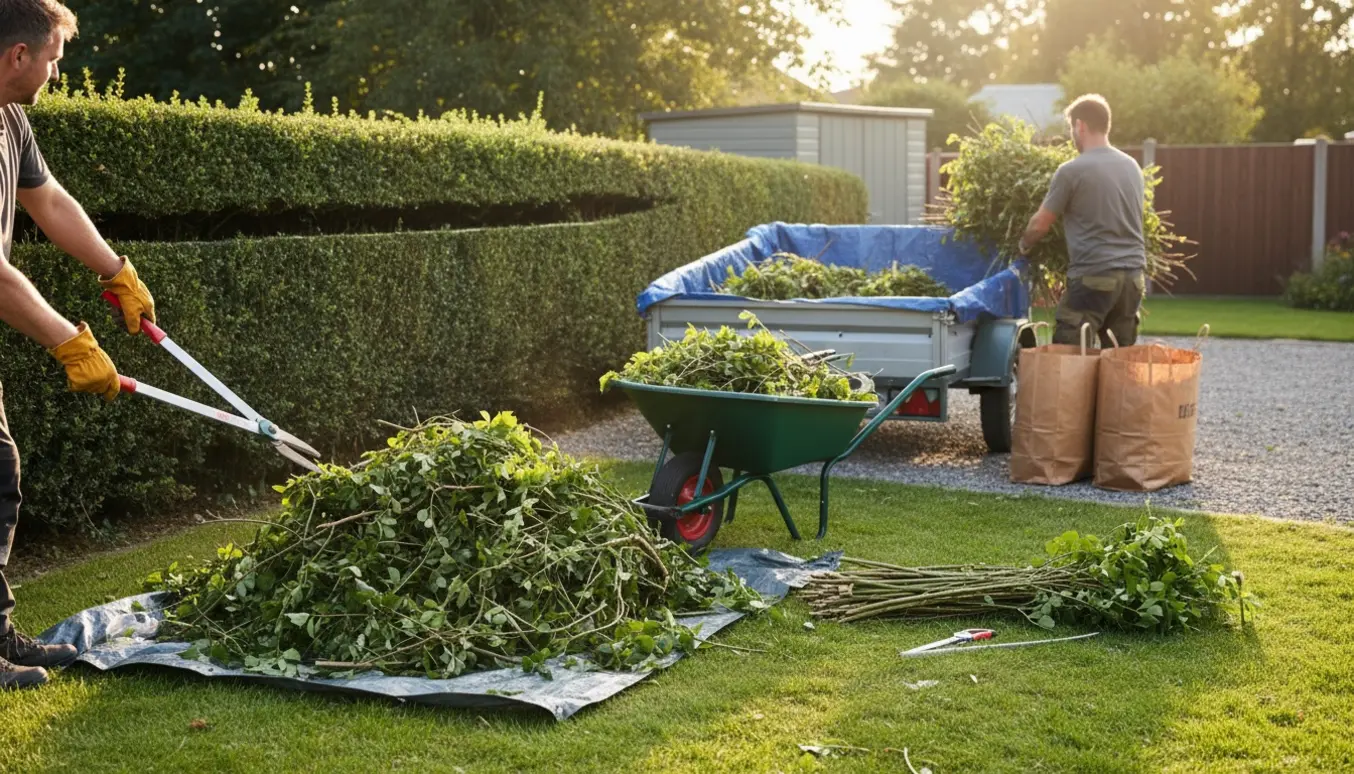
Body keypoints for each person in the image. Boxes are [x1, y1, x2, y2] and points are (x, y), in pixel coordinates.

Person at [0, 0, 158, 690]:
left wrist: (115, 270)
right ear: (19, 55)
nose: (57, 74)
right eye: (55, 60)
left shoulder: (10, 118)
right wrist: (69, 341)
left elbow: (50, 201)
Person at [1016, 93, 1147, 347]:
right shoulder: (1132, 167)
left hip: (1094, 275)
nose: (1071, 135)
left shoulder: (1071, 170)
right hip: (1133, 279)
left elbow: (1040, 224)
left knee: (1069, 354)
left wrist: (1023, 245)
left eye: (1071, 128)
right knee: (1119, 358)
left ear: (1080, 125)